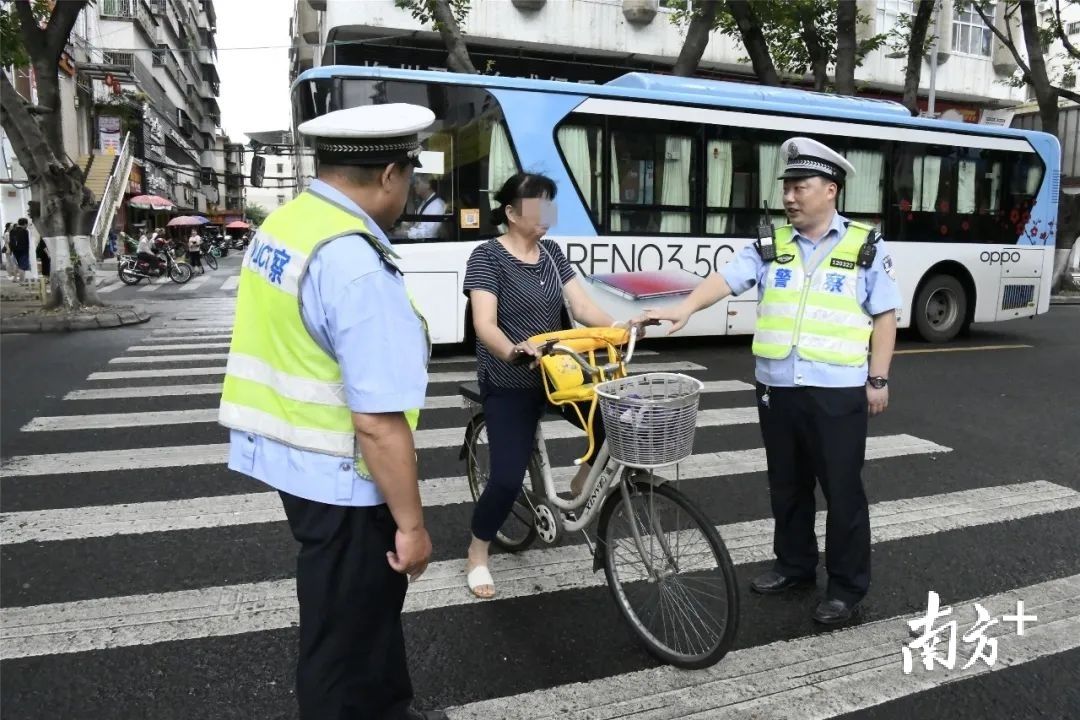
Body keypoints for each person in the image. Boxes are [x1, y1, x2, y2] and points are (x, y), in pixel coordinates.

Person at [218, 103, 446, 720]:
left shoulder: (288, 224)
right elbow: (377, 420)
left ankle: (390, 707)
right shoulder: (353, 264)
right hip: (343, 481)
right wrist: (413, 526)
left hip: (299, 466)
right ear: (391, 175)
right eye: (411, 177)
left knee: (359, 617)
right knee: (342, 641)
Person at [646, 137, 901, 626]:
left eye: (800, 187)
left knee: (842, 491)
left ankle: (846, 588)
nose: (789, 196)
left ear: (831, 190)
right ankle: (795, 566)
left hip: (837, 389)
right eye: (786, 187)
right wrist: (682, 310)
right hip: (776, 386)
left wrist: (879, 378)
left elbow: (885, 316)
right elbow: (724, 280)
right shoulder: (770, 243)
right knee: (787, 485)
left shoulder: (864, 244)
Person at [462, 171, 641, 600]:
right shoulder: (487, 257)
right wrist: (512, 351)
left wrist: (622, 326)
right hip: (510, 377)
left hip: (560, 372)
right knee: (505, 479)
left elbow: (580, 305)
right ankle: (477, 552)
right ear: (510, 212)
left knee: (618, 421)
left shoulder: (552, 253)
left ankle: (581, 483)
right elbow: (484, 324)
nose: (545, 215)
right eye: (535, 204)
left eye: (549, 204)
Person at [405, 175, 446, 240]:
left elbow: (428, 232)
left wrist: (406, 233)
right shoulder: (424, 203)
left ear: (428, 185)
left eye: (417, 183)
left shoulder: (437, 205)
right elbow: (419, 225)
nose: (415, 186)